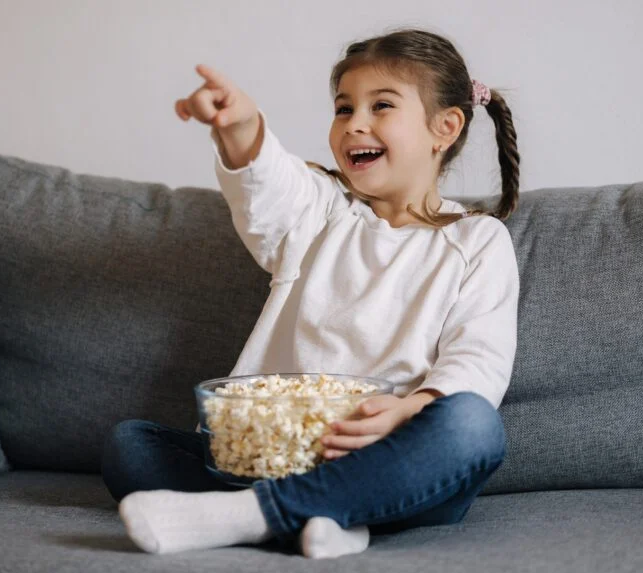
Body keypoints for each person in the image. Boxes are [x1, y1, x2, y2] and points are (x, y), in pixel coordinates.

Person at [101, 26, 521, 559]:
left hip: (393, 457)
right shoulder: (320, 211)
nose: (355, 124)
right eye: (344, 109)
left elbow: (479, 360)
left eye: (381, 105)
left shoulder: (477, 241)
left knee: (474, 425)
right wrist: (242, 127)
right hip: (279, 454)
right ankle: (325, 516)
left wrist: (410, 410)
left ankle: (257, 515)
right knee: (130, 445)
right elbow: (268, 187)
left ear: (445, 127)